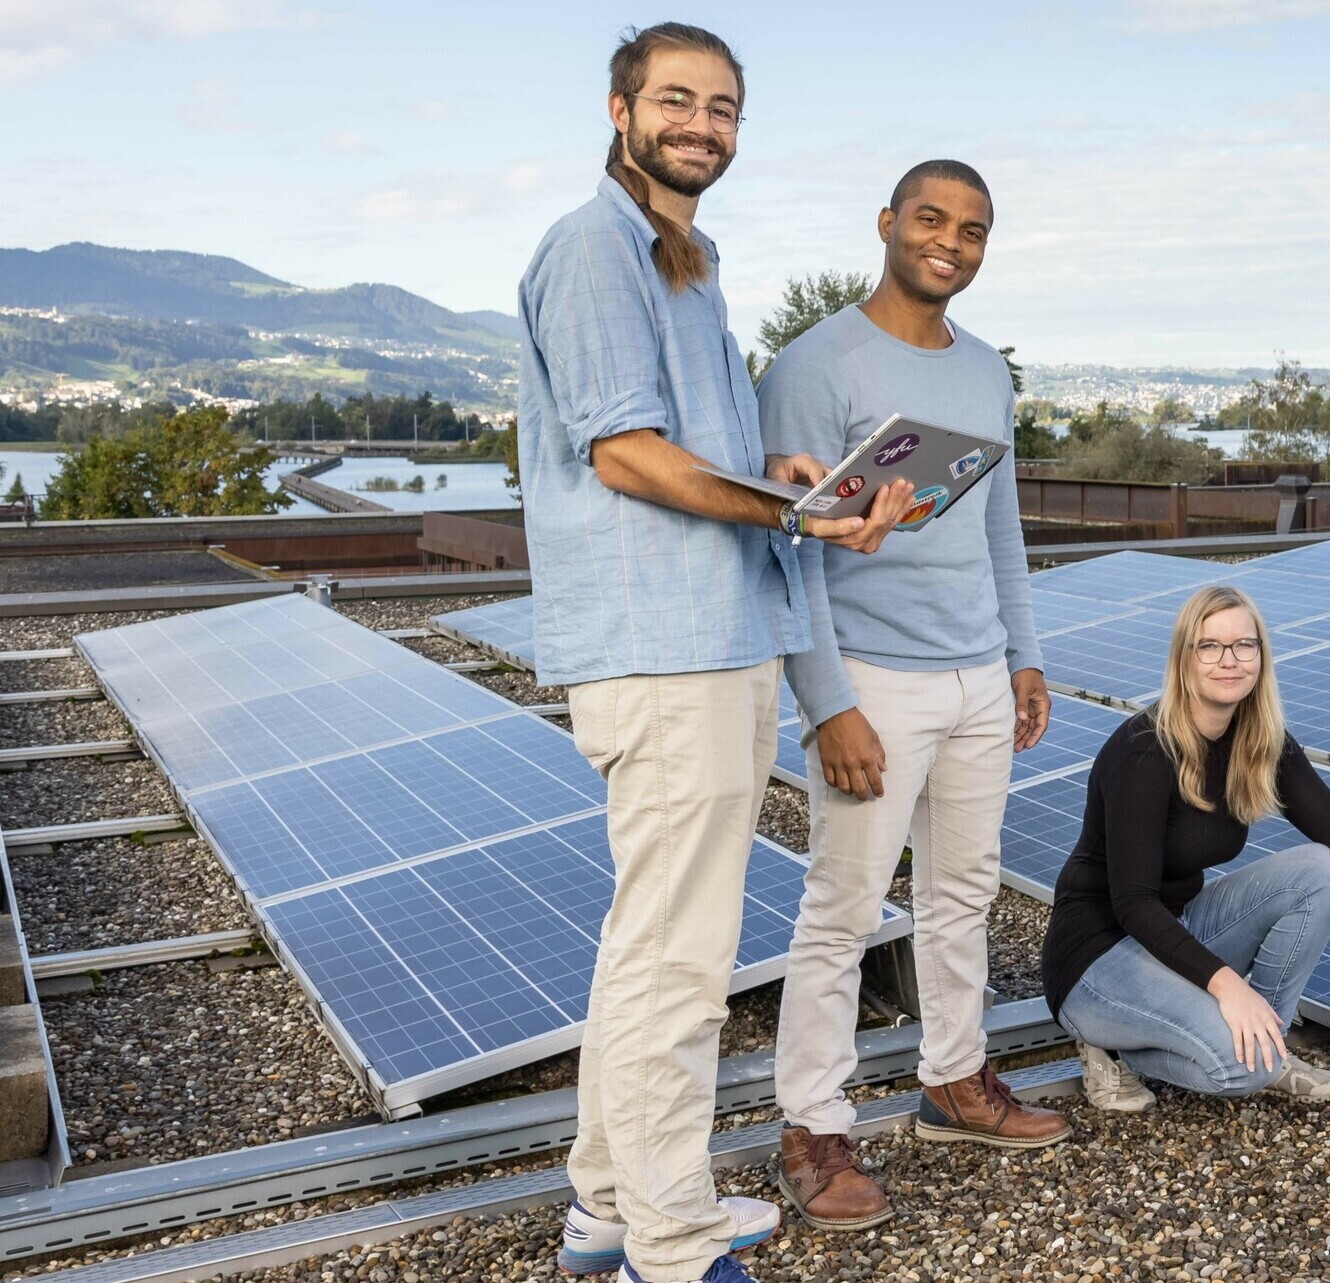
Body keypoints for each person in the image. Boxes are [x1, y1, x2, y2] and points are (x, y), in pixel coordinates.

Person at [516, 23, 911, 1283]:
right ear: (621, 109)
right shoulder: (594, 249)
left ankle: (608, 1207)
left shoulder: (690, 259)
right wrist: (793, 512)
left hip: (717, 639)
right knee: (678, 964)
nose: (702, 124)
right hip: (664, 650)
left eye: (724, 107)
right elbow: (626, 451)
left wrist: (779, 472)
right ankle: (672, 1242)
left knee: (653, 945)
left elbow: (693, 449)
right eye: (677, 100)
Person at [761, 158, 1070, 1233]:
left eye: (972, 229)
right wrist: (828, 701)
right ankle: (810, 1126)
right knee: (843, 910)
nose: (950, 241)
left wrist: (1023, 656)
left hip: (978, 674)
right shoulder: (814, 364)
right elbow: (785, 544)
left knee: (963, 893)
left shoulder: (986, 372)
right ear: (887, 222)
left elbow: (999, 528)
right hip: (874, 680)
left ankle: (954, 1078)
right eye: (931, 219)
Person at [1042, 585, 1330, 1109]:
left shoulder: (1259, 742)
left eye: (1244, 645)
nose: (1229, 660)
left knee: (1321, 868)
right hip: (1096, 959)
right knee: (1245, 1069)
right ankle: (1112, 1045)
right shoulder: (1145, 752)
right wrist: (1228, 986)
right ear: (1184, 658)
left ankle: (1268, 1040)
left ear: (1261, 655)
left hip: (1173, 931)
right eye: (1210, 646)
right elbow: (1133, 903)